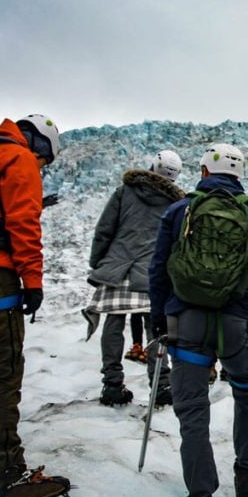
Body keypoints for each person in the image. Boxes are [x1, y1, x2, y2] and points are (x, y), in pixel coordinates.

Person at [149, 143, 248, 497]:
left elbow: (158, 266)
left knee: (192, 413)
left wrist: (160, 316)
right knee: (246, 394)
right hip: (236, 320)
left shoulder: (180, 210)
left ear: (204, 171)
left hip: (187, 321)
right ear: (240, 174)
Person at [0, 114, 71, 497]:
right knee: (1, 375)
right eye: (45, 161)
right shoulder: (17, 159)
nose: (42, 168)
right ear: (41, 145)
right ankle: (7, 473)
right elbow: (23, 223)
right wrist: (32, 281)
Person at [87, 149, 184, 407]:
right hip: (153, 274)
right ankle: (161, 385)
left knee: (114, 323)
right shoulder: (175, 204)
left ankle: (112, 384)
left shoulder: (124, 192)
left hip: (119, 269)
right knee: (156, 328)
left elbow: (104, 230)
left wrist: (98, 264)